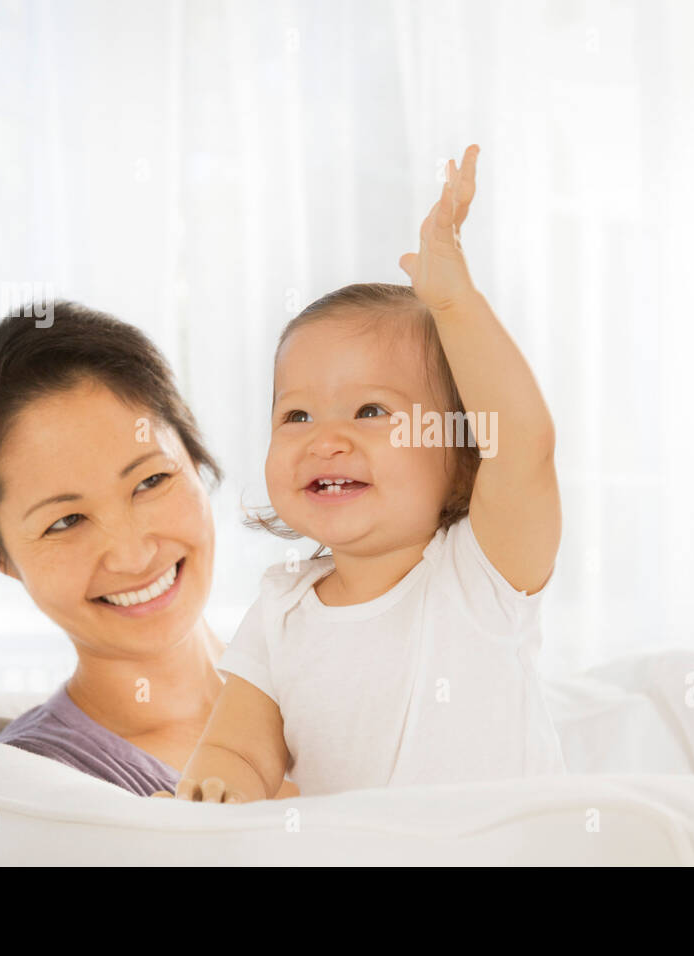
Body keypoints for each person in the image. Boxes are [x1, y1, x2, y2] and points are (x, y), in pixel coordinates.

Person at [170, 144, 565, 802]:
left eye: (370, 410)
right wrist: (217, 794)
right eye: (296, 416)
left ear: (461, 455)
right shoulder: (281, 611)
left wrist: (455, 304)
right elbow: (237, 748)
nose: (327, 439)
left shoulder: (482, 576)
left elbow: (525, 444)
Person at [0, 302, 298, 798]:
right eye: (65, 521)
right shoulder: (36, 789)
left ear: (192, 452)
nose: (131, 555)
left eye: (150, 480)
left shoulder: (331, 675)